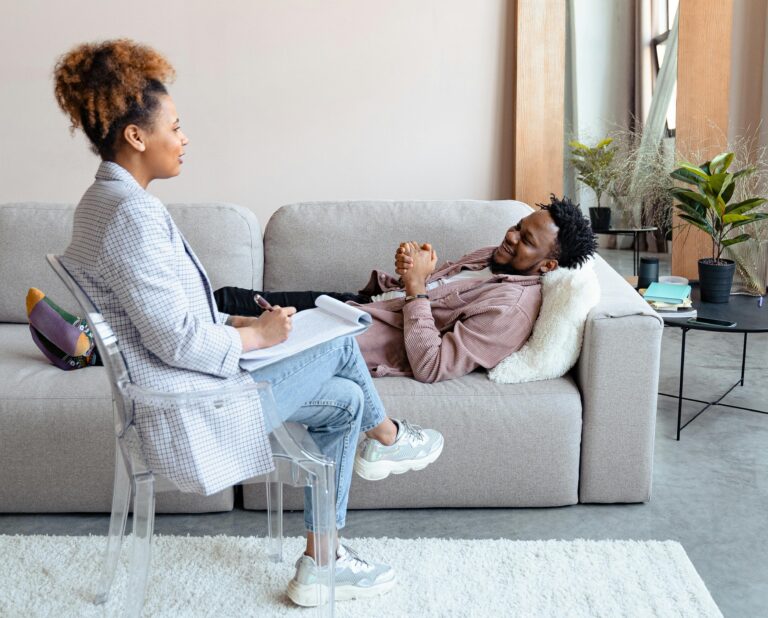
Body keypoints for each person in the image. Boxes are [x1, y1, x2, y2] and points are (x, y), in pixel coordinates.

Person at [52, 39, 444, 607]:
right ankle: (387, 440)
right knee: (340, 346)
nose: (185, 139)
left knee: (348, 400)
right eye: (176, 127)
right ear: (137, 137)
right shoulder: (130, 217)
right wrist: (255, 336)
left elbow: (157, 315)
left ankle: (322, 560)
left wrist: (233, 318)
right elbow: (175, 338)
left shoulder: (100, 202)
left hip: (176, 394)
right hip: (186, 414)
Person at [215, 196, 598, 383]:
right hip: (359, 305)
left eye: (526, 240)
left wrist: (416, 290)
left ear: (548, 265)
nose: (511, 236)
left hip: (361, 332)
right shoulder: (493, 258)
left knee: (230, 319)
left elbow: (433, 366)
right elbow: (427, 292)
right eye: (517, 226)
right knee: (226, 298)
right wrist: (410, 271)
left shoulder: (510, 311)